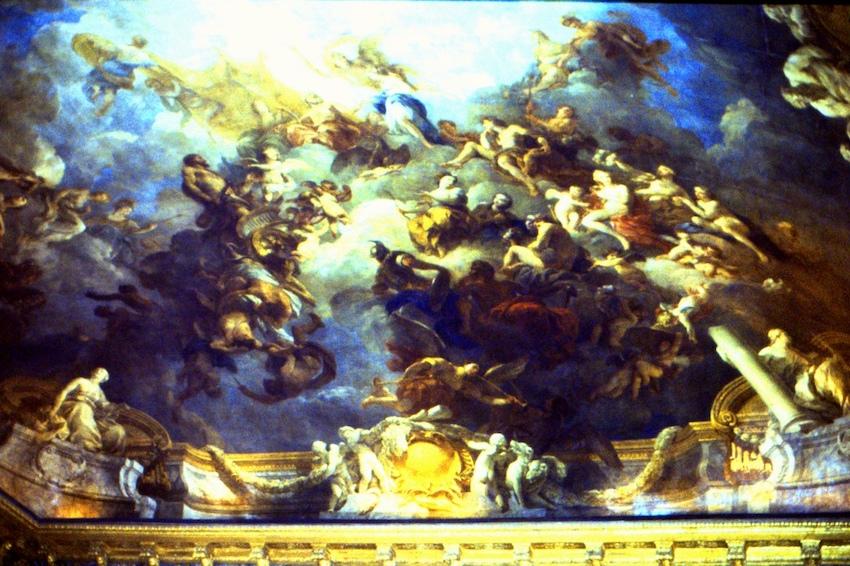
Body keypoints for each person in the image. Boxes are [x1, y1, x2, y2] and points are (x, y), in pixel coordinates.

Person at [674, 186, 769, 263]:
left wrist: (689, 204)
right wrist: (682, 199)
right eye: (696, 192)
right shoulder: (699, 202)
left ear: (707, 194)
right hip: (717, 224)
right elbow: (691, 204)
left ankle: (758, 252)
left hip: (731, 222)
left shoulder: (714, 203)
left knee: (726, 227)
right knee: (696, 220)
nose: (697, 194)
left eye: (701, 192)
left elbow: (706, 216)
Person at [48, 367, 126, 454]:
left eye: (102, 372)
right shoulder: (81, 381)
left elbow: (105, 406)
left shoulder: (99, 392)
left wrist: (118, 407)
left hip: (90, 413)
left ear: (104, 379)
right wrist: (55, 409)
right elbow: (64, 392)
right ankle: (87, 444)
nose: (99, 372)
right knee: (83, 409)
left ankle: (103, 451)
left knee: (117, 430)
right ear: (92, 372)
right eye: (98, 370)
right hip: (72, 406)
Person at [502, 214, 578, 272]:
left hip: (555, 265)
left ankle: (503, 270)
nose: (530, 229)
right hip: (564, 263)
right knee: (520, 263)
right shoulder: (556, 228)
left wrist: (528, 247)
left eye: (530, 226)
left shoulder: (545, 227)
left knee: (513, 249)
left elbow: (539, 246)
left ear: (535, 223)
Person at [581, 170, 632, 251]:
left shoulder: (621, 187)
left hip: (621, 209)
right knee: (586, 221)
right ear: (598, 180)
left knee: (587, 220)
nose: (606, 179)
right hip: (609, 210)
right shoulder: (601, 190)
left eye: (607, 176)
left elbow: (625, 201)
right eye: (602, 177)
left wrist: (605, 196)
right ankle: (618, 237)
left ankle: (621, 238)